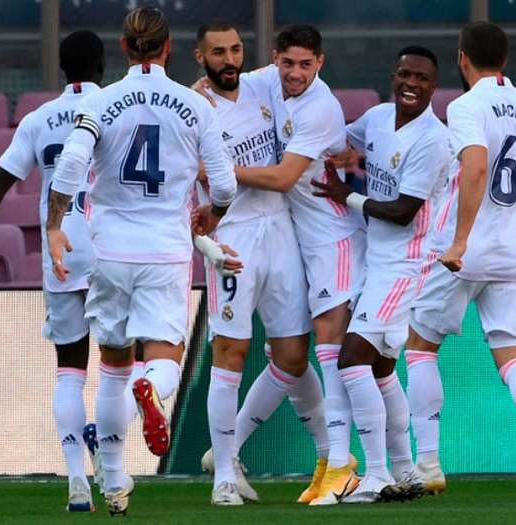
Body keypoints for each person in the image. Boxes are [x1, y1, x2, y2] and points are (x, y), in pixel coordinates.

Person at [47, 7, 237, 516]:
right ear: (168, 47)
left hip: (108, 251)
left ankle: (111, 482)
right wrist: (213, 214)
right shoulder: (194, 105)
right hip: (165, 251)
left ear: (126, 49)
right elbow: (224, 184)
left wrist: (54, 226)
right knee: (162, 357)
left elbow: (69, 164)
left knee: (110, 364)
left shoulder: (103, 102)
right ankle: (150, 386)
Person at [403, 22, 516, 507]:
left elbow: (476, 167)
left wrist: (459, 241)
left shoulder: (464, 106)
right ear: (506, 60)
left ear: (463, 59)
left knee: (420, 348)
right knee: (513, 357)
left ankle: (429, 465)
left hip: (466, 250)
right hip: (512, 251)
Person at [0, 30, 107, 513]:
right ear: (102, 66)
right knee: (126, 365)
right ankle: (109, 453)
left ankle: (76, 481)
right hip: (112, 250)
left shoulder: (37, 120)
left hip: (62, 253)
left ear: (61, 69)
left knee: (70, 371)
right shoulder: (115, 107)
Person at [213, 24, 367, 506]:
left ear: (320, 63)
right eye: (288, 63)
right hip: (297, 238)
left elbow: (281, 179)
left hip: (334, 239)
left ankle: (349, 463)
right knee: (294, 357)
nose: (295, 73)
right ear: (275, 58)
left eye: (306, 65)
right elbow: (214, 84)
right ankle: (330, 458)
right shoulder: (266, 82)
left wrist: (217, 170)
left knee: (333, 356)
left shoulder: (320, 107)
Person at [191, 21, 327, 506]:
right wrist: (203, 244)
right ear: (199, 57)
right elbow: (186, 188)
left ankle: (329, 459)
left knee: (292, 356)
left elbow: (304, 72)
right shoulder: (194, 107)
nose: (229, 60)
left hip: (281, 230)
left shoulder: (264, 82)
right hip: (233, 238)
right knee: (229, 352)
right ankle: (224, 475)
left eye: (235, 49)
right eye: (218, 53)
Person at [311, 46, 450, 503]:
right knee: (384, 370)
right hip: (379, 260)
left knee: (351, 361)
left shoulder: (433, 139)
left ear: (434, 85)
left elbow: (403, 211)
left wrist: (343, 193)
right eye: (405, 74)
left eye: (422, 78)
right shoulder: (376, 118)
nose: (411, 83)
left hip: (406, 265)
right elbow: (338, 142)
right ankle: (406, 471)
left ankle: (373, 474)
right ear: (395, 76)